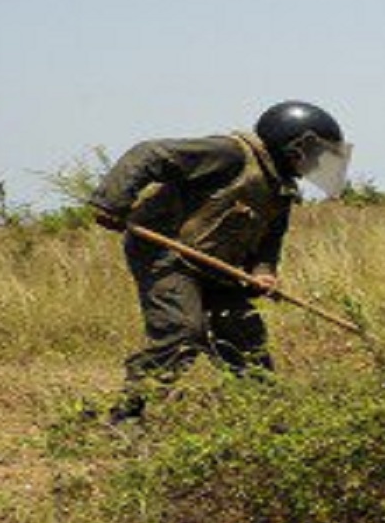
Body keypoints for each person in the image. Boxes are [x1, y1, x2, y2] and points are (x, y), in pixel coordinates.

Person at [90, 100, 350, 424]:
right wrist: (112, 201)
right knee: (182, 330)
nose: (315, 165)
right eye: (313, 155)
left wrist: (264, 273)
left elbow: (270, 241)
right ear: (291, 146)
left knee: (245, 338)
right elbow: (149, 154)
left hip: (215, 267)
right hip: (166, 255)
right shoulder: (229, 154)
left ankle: (271, 422)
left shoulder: (279, 189)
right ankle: (125, 413)